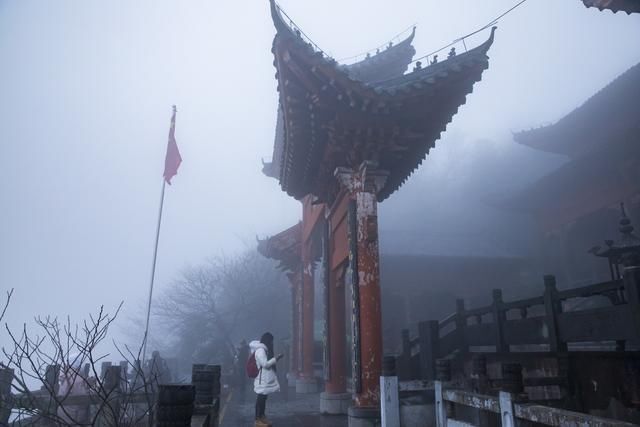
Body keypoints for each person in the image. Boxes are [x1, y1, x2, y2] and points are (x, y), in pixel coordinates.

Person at [250, 332, 283, 427]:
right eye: (271, 341)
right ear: (268, 340)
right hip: (262, 379)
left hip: (264, 378)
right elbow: (265, 364)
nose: (272, 343)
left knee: (263, 398)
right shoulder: (260, 350)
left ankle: (262, 417)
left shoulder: (264, 350)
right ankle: (257, 420)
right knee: (260, 398)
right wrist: (276, 358)